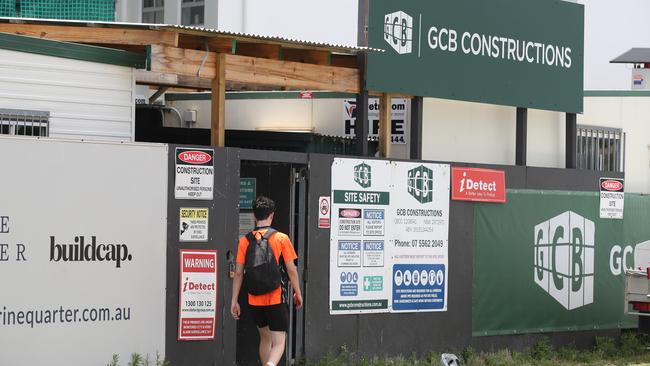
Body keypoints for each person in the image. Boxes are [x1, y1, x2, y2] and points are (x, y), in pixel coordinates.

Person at [231, 196, 303, 366]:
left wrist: (234, 300)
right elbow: (291, 269)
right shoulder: (281, 238)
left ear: (255, 216)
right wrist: (297, 292)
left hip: (254, 299)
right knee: (279, 342)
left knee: (265, 338)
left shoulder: (244, 241)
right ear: (271, 215)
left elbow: (239, 272)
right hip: (275, 298)